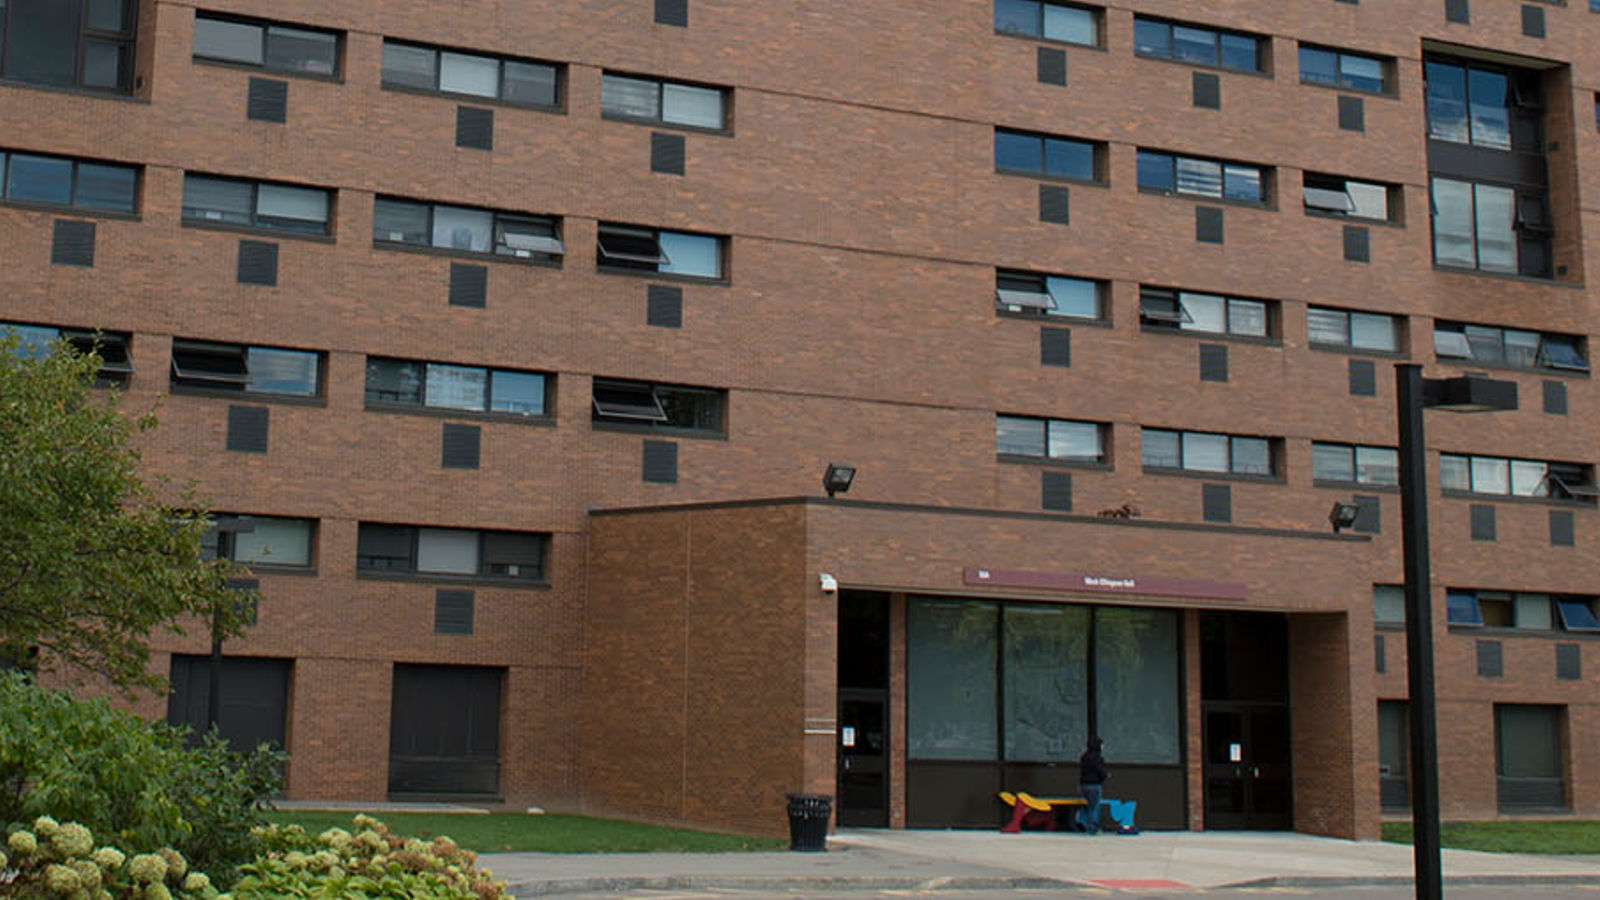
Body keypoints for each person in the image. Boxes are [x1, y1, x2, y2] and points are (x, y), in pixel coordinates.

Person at [1078, 736, 1108, 834]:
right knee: (1095, 807)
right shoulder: (1097, 757)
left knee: (1090, 806)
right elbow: (1100, 770)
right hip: (1094, 784)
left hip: (1084, 784)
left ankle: (1084, 822)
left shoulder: (1084, 757)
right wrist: (1105, 775)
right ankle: (1092, 827)